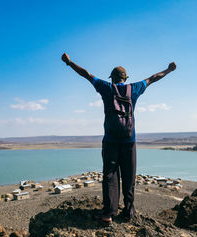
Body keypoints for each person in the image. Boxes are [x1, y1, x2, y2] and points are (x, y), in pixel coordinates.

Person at [61, 53, 177, 222]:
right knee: (129, 176)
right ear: (125, 78)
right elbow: (152, 78)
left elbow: (87, 74)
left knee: (110, 175)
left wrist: (70, 63)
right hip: (129, 140)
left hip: (110, 141)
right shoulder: (134, 89)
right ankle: (129, 211)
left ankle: (109, 212)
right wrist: (169, 70)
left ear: (113, 78)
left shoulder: (107, 88)